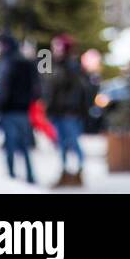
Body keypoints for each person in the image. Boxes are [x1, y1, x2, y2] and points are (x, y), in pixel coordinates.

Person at [44, 34, 90, 187]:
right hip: (58, 112)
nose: (54, 49)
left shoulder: (71, 66)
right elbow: (48, 84)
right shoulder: (55, 64)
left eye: (57, 46)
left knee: (72, 142)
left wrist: (72, 108)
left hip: (68, 112)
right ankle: (65, 172)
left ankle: (78, 171)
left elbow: (77, 91)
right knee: (62, 143)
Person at [0, 33, 38, 184]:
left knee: (10, 145)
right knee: (24, 145)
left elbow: (3, 88)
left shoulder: (7, 63)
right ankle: (30, 175)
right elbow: (36, 87)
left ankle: (11, 176)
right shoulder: (26, 63)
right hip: (24, 110)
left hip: (10, 110)